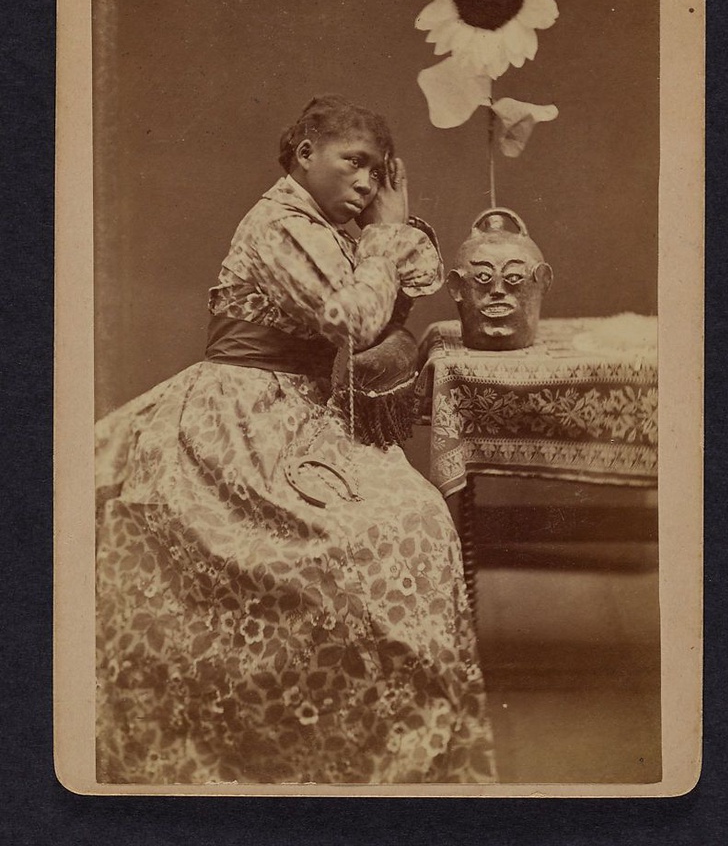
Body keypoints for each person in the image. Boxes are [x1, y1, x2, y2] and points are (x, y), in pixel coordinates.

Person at [95, 94, 495, 785]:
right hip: (239, 422)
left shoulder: (324, 226)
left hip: (300, 415)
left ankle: (383, 732)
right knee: (362, 537)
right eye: (354, 163)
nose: (367, 184)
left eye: (378, 171)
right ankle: (301, 736)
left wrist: (388, 234)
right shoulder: (281, 225)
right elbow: (349, 320)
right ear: (305, 154)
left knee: (418, 518)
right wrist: (386, 233)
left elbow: (411, 281)